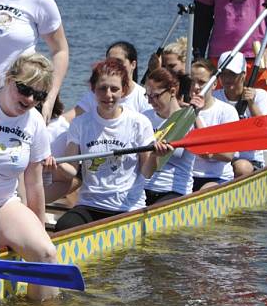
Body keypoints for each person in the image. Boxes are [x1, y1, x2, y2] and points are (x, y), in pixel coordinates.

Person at [49, 58, 169, 231]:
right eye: (102, 88)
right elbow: (71, 170)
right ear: (93, 90)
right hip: (90, 204)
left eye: (114, 89)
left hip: (127, 207)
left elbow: (147, 172)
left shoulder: (139, 122)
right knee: (64, 226)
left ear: (124, 90)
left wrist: (156, 156)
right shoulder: (80, 124)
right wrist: (56, 164)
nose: (108, 95)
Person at [0, 53, 59, 300]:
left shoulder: (34, 122)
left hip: (2, 202)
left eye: (40, 96)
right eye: (24, 89)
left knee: (46, 254)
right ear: (9, 79)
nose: (30, 99)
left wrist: (39, 229)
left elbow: (34, 184)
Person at [212, 52, 267, 176]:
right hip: (220, 158)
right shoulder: (214, 96)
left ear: (243, 75)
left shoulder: (260, 96)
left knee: (241, 167)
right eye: (223, 74)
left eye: (232, 74)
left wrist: (251, 104)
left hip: (249, 160)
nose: (227, 79)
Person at [142, 68, 196, 205]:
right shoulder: (144, 118)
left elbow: (162, 160)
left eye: (155, 96)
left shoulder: (188, 120)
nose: (150, 101)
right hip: (143, 187)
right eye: (147, 95)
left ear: (172, 91)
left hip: (174, 190)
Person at [66, 41, 150, 122]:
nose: (114, 66)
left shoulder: (145, 98)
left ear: (133, 64)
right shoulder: (96, 94)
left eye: (119, 62)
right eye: (110, 62)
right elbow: (70, 117)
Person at [188, 60, 239, 191]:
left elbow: (228, 155)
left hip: (217, 177)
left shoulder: (227, 111)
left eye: (201, 82)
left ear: (214, 84)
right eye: (192, 82)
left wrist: (210, 154)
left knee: (204, 192)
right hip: (187, 175)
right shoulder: (181, 111)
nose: (196, 87)